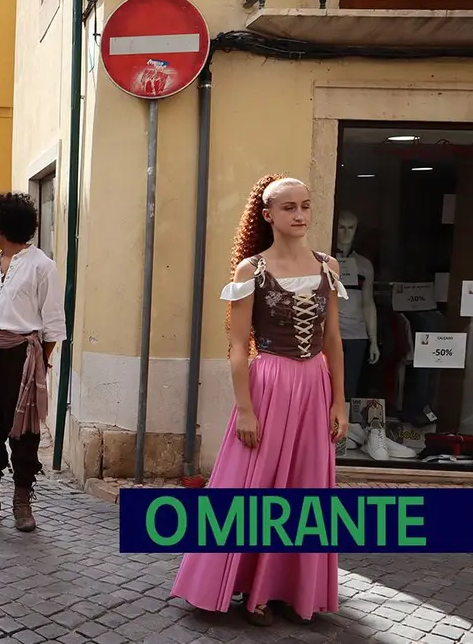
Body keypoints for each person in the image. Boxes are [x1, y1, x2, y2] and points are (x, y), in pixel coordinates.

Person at [171, 174, 344, 625]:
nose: (300, 215)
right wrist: (244, 407)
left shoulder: (329, 267)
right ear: (268, 215)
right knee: (254, 486)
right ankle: (253, 588)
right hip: (269, 383)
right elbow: (236, 345)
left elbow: (333, 339)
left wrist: (340, 400)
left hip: (315, 385)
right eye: (289, 208)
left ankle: (292, 586)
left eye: (305, 205)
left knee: (306, 487)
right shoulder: (253, 270)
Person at [0, 193, 66, 533]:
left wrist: (39, 363)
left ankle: (22, 499)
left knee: (24, 430)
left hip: (22, 355)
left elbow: (54, 323)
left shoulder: (42, 266)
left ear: (5, 226)